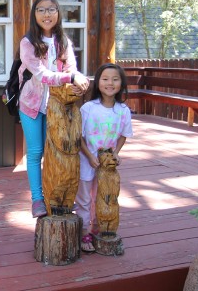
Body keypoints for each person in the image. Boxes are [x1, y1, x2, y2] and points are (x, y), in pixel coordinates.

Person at [18, 0, 89, 218]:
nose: (46, 14)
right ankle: (37, 199)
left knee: (56, 150)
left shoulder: (63, 41)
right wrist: (71, 78)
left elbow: (71, 69)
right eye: (41, 9)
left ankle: (55, 194)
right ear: (34, 14)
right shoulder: (28, 43)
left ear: (58, 13)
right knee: (36, 151)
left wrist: (76, 80)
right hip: (31, 104)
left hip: (58, 106)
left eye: (51, 9)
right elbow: (43, 75)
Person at [75, 63, 133, 253]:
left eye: (115, 79)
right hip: (87, 160)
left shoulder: (123, 110)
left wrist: (116, 153)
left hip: (107, 164)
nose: (110, 83)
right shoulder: (88, 108)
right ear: (98, 82)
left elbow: (123, 134)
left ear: (121, 83)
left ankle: (97, 229)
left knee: (102, 197)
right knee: (84, 198)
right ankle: (84, 232)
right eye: (105, 79)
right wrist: (89, 156)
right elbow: (79, 136)